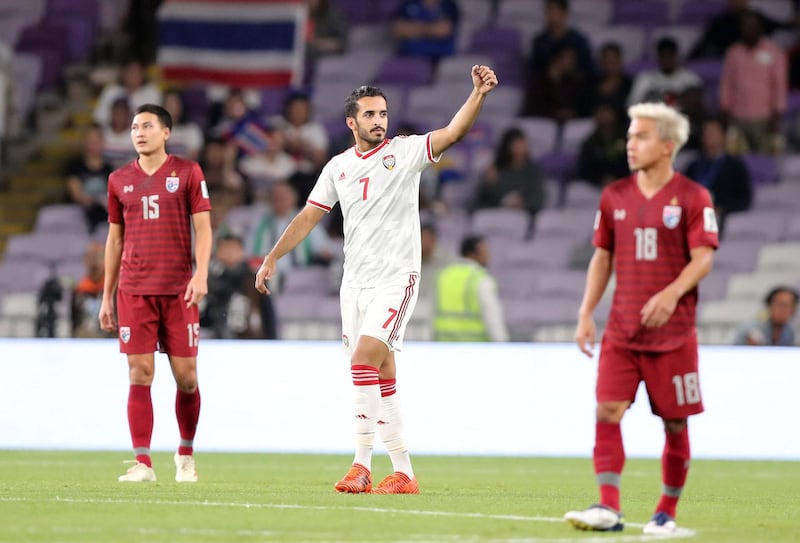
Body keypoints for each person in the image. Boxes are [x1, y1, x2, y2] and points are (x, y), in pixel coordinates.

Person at [254, 65, 499, 494]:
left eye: (382, 113)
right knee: (382, 374)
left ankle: (360, 464)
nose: (378, 121)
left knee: (363, 359)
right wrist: (273, 255)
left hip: (395, 278)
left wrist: (477, 94)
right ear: (352, 122)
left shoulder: (404, 152)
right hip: (355, 284)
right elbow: (309, 215)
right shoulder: (337, 167)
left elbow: (452, 133)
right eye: (369, 115)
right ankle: (403, 471)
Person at [564, 102, 719, 535]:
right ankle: (607, 507)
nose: (630, 144)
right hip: (622, 330)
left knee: (674, 422)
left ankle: (665, 513)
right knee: (607, 410)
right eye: (630, 136)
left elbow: (703, 258)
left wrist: (671, 294)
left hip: (673, 335)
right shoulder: (615, 196)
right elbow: (603, 256)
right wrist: (585, 312)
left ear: (667, 146)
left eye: (641, 136)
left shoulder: (693, 197)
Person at [98, 104, 213, 483]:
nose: (139, 132)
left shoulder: (187, 173)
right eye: (134, 127)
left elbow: (204, 228)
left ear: (166, 132)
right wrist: (106, 296)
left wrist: (201, 274)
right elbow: (114, 241)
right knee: (140, 372)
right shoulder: (118, 180)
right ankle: (143, 463)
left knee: (187, 379)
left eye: (147, 126)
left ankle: (185, 454)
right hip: (134, 291)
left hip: (179, 291)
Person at [719, 10, 787, 155]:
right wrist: (725, 110)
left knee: (769, 159)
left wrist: (777, 114)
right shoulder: (733, 52)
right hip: (737, 117)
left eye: (753, 25)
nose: (749, 28)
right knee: (735, 159)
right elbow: (727, 83)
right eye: (745, 25)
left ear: (760, 28)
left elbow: (779, 85)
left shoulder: (774, 52)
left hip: (766, 118)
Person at [432, 235, 508, 342]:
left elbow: (431, 314)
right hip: (474, 350)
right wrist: (502, 344)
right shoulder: (481, 280)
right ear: (472, 254)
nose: (488, 257)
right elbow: (492, 319)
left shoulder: (443, 276)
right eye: (484, 252)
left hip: (443, 348)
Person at [684, 117, 752, 236]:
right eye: (707, 133)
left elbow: (744, 199)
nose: (710, 137)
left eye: (714, 133)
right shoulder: (693, 167)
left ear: (723, 136)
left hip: (721, 217)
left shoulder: (735, 166)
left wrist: (722, 208)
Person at [472, 127, 547, 222]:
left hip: (525, 216)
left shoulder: (533, 170)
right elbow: (482, 201)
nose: (519, 147)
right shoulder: (496, 169)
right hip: (497, 215)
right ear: (507, 146)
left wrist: (523, 204)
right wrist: (490, 185)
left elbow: (538, 198)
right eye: (515, 144)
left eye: (522, 143)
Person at [64, 124, 115, 234]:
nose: (91, 145)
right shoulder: (75, 167)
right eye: (89, 141)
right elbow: (76, 194)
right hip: (80, 215)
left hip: (103, 216)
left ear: (102, 143)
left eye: (95, 141)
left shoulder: (109, 169)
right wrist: (89, 200)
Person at [627, 37, 701, 107]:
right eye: (663, 55)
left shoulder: (691, 79)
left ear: (676, 56)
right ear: (658, 57)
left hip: (682, 117)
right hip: (653, 117)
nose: (667, 59)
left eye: (670, 55)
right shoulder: (645, 78)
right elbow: (632, 105)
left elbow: (700, 107)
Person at [93, 59, 162, 128]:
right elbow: (99, 118)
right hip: (111, 135)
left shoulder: (152, 92)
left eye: (137, 72)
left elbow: (158, 122)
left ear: (143, 73)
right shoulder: (111, 91)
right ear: (123, 73)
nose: (133, 75)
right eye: (130, 71)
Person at [577, 103, 629, 188]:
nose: (605, 117)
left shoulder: (626, 140)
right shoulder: (590, 143)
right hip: (596, 186)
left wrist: (617, 178)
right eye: (601, 113)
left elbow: (631, 165)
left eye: (608, 113)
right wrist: (600, 179)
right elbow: (584, 169)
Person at [390, 0, 460, 62]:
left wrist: (414, 29)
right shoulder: (409, 4)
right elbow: (399, 30)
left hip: (440, 55)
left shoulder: (448, 5)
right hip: (410, 54)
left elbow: (444, 31)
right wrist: (432, 29)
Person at [733, 286, 799, 346]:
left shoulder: (790, 331)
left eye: (790, 305)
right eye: (781, 304)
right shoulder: (751, 328)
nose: (785, 310)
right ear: (769, 305)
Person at [71, 241, 109, 338]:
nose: (94, 261)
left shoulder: (113, 289)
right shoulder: (80, 289)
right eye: (91, 257)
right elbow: (74, 320)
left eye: (98, 257)